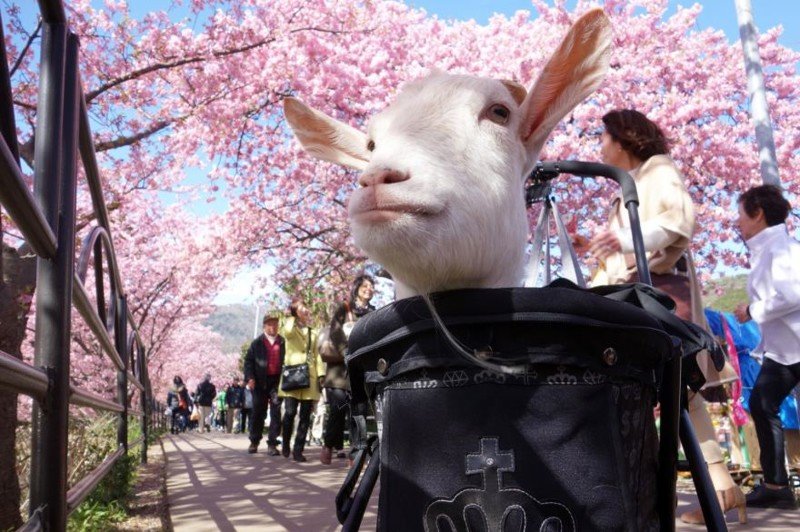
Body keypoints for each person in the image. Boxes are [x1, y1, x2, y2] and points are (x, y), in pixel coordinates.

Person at [574, 109, 746, 524]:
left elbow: (678, 220)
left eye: (604, 137)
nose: (600, 146)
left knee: (672, 388)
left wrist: (621, 239)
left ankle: (694, 490)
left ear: (623, 140)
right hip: (647, 293)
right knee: (676, 391)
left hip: (659, 295)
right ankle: (720, 489)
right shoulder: (638, 181)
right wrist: (603, 245)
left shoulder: (659, 172)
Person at [733, 184, 800, 510]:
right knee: (761, 403)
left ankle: (777, 486)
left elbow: (791, 295)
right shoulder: (769, 249)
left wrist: (752, 311)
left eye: (742, 215)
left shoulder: (781, 249)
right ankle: (776, 486)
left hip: (795, 347)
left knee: (762, 403)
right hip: (785, 350)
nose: (738, 223)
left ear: (758, 214)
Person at [319, 275, 376, 465]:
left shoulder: (373, 312)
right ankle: (328, 445)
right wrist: (346, 352)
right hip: (338, 373)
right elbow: (334, 331)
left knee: (358, 411)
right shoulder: (344, 309)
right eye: (365, 285)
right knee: (338, 410)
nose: (369, 288)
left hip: (360, 370)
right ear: (357, 288)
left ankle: (356, 453)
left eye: (371, 286)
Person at [278, 297, 325, 462]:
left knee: (305, 416)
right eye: (301, 308)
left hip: (309, 377)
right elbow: (288, 332)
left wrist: (321, 375)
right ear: (295, 312)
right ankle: (285, 443)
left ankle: (298, 450)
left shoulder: (314, 331)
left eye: (306, 308)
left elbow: (317, 355)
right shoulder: (288, 326)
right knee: (290, 413)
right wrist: (293, 314)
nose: (305, 311)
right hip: (292, 375)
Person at [244, 311, 286, 455]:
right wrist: (250, 377)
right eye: (270, 324)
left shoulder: (283, 342)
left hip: (277, 382)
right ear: (264, 326)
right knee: (258, 412)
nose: (273, 327)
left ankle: (272, 444)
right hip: (260, 382)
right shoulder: (257, 343)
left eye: (275, 324)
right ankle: (254, 441)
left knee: (276, 413)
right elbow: (248, 361)